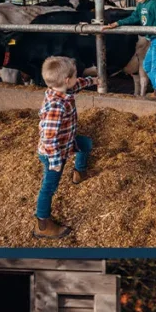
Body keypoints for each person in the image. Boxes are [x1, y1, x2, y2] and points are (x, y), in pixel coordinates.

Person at [34, 56, 96, 240]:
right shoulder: (56, 106)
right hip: (54, 153)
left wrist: (93, 81)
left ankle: (80, 172)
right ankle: (42, 225)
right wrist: (55, 162)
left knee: (86, 144)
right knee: (49, 187)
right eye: (77, 75)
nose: (79, 77)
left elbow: (76, 85)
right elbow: (48, 137)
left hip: (67, 141)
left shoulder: (59, 89)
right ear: (67, 80)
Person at [104, 0, 156, 119]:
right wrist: (117, 23)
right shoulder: (142, 4)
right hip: (151, 39)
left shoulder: (155, 4)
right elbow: (134, 17)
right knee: (147, 66)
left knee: (154, 68)